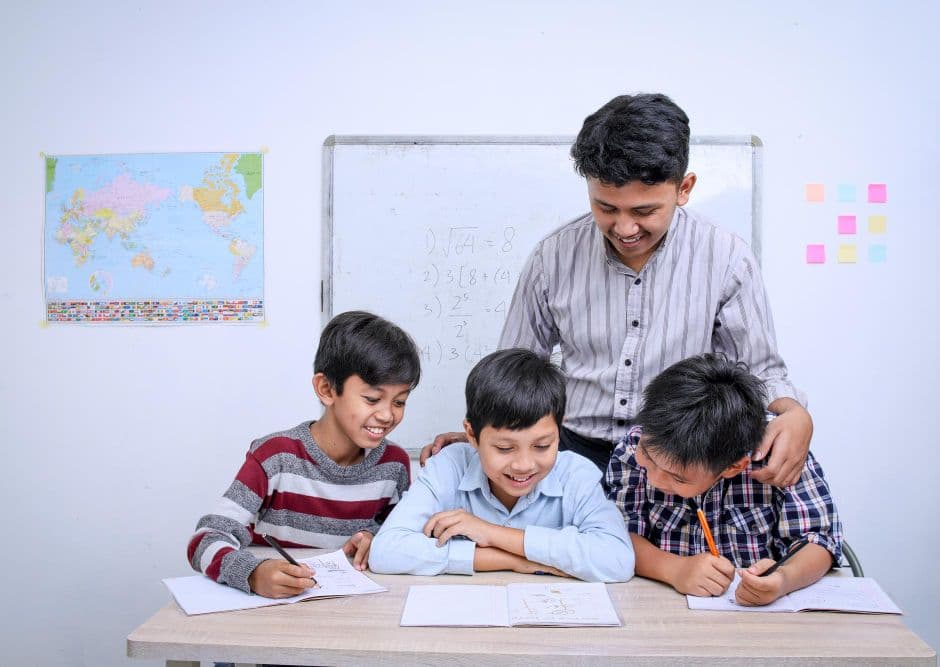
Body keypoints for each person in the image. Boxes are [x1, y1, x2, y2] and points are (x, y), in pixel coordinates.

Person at [421, 93, 812, 485]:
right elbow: (514, 372)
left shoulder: (727, 259)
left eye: (644, 211)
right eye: (606, 208)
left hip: (673, 458)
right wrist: (487, 435)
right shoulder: (553, 256)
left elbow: (758, 371)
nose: (625, 229)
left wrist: (794, 413)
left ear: (684, 188)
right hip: (570, 453)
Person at [187, 310, 420, 598]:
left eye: (399, 402)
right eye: (372, 399)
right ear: (326, 389)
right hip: (276, 610)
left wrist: (377, 541)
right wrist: (253, 574)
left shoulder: (393, 465)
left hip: (353, 609)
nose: (387, 415)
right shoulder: (275, 457)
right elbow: (204, 540)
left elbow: (400, 535)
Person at [369, 348, 634, 582]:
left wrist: (490, 533)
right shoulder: (449, 466)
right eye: (505, 448)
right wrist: (512, 560)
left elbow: (618, 560)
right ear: (471, 435)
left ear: (559, 429)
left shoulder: (577, 474)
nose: (523, 465)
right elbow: (386, 551)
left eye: (542, 446)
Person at [605, 353, 842, 605]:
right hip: (662, 606)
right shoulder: (631, 448)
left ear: (733, 467)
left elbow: (818, 542)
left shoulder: (782, 454)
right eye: (648, 456)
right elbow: (616, 536)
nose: (655, 479)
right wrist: (674, 569)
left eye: (677, 478)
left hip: (754, 615)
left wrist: (783, 579)